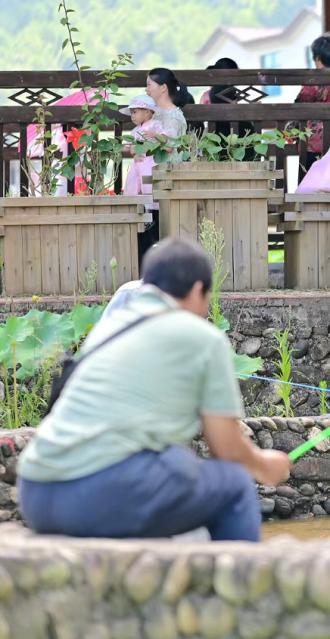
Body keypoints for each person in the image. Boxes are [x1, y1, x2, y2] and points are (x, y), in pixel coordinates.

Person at [16, 239, 290, 542]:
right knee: (235, 484)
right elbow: (226, 450)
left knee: (175, 460)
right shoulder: (203, 337)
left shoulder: (111, 327)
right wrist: (264, 465)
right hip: (97, 495)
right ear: (198, 289)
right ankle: (237, 573)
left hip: (37, 492)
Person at [140, 69, 190, 257]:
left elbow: (170, 145)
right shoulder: (157, 115)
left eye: (149, 85)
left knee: (158, 232)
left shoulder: (172, 116)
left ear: (163, 88)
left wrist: (153, 138)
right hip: (155, 179)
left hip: (167, 181)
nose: (146, 89)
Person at [295, 33, 330, 169]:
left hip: (314, 142)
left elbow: (300, 103)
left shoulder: (314, 79)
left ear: (317, 58)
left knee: (311, 178)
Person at [121, 95, 168, 196]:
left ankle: (150, 204)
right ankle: (133, 203)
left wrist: (154, 135)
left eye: (135, 112)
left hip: (150, 161)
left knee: (148, 185)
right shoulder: (135, 130)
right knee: (133, 184)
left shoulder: (155, 124)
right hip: (138, 162)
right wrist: (116, 148)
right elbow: (129, 147)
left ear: (147, 112)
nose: (132, 116)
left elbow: (164, 139)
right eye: (131, 113)